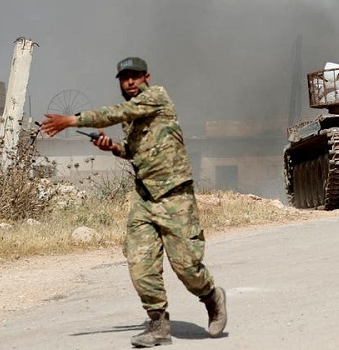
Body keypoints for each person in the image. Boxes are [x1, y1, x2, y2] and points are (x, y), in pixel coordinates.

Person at [40, 57, 227, 347]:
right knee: (140, 263)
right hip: (144, 197)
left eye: (135, 76)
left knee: (187, 267)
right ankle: (158, 325)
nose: (130, 81)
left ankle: (212, 297)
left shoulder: (157, 97)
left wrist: (72, 120)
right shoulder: (129, 118)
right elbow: (132, 150)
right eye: (124, 77)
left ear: (146, 78)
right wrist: (112, 147)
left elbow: (118, 111)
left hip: (174, 195)